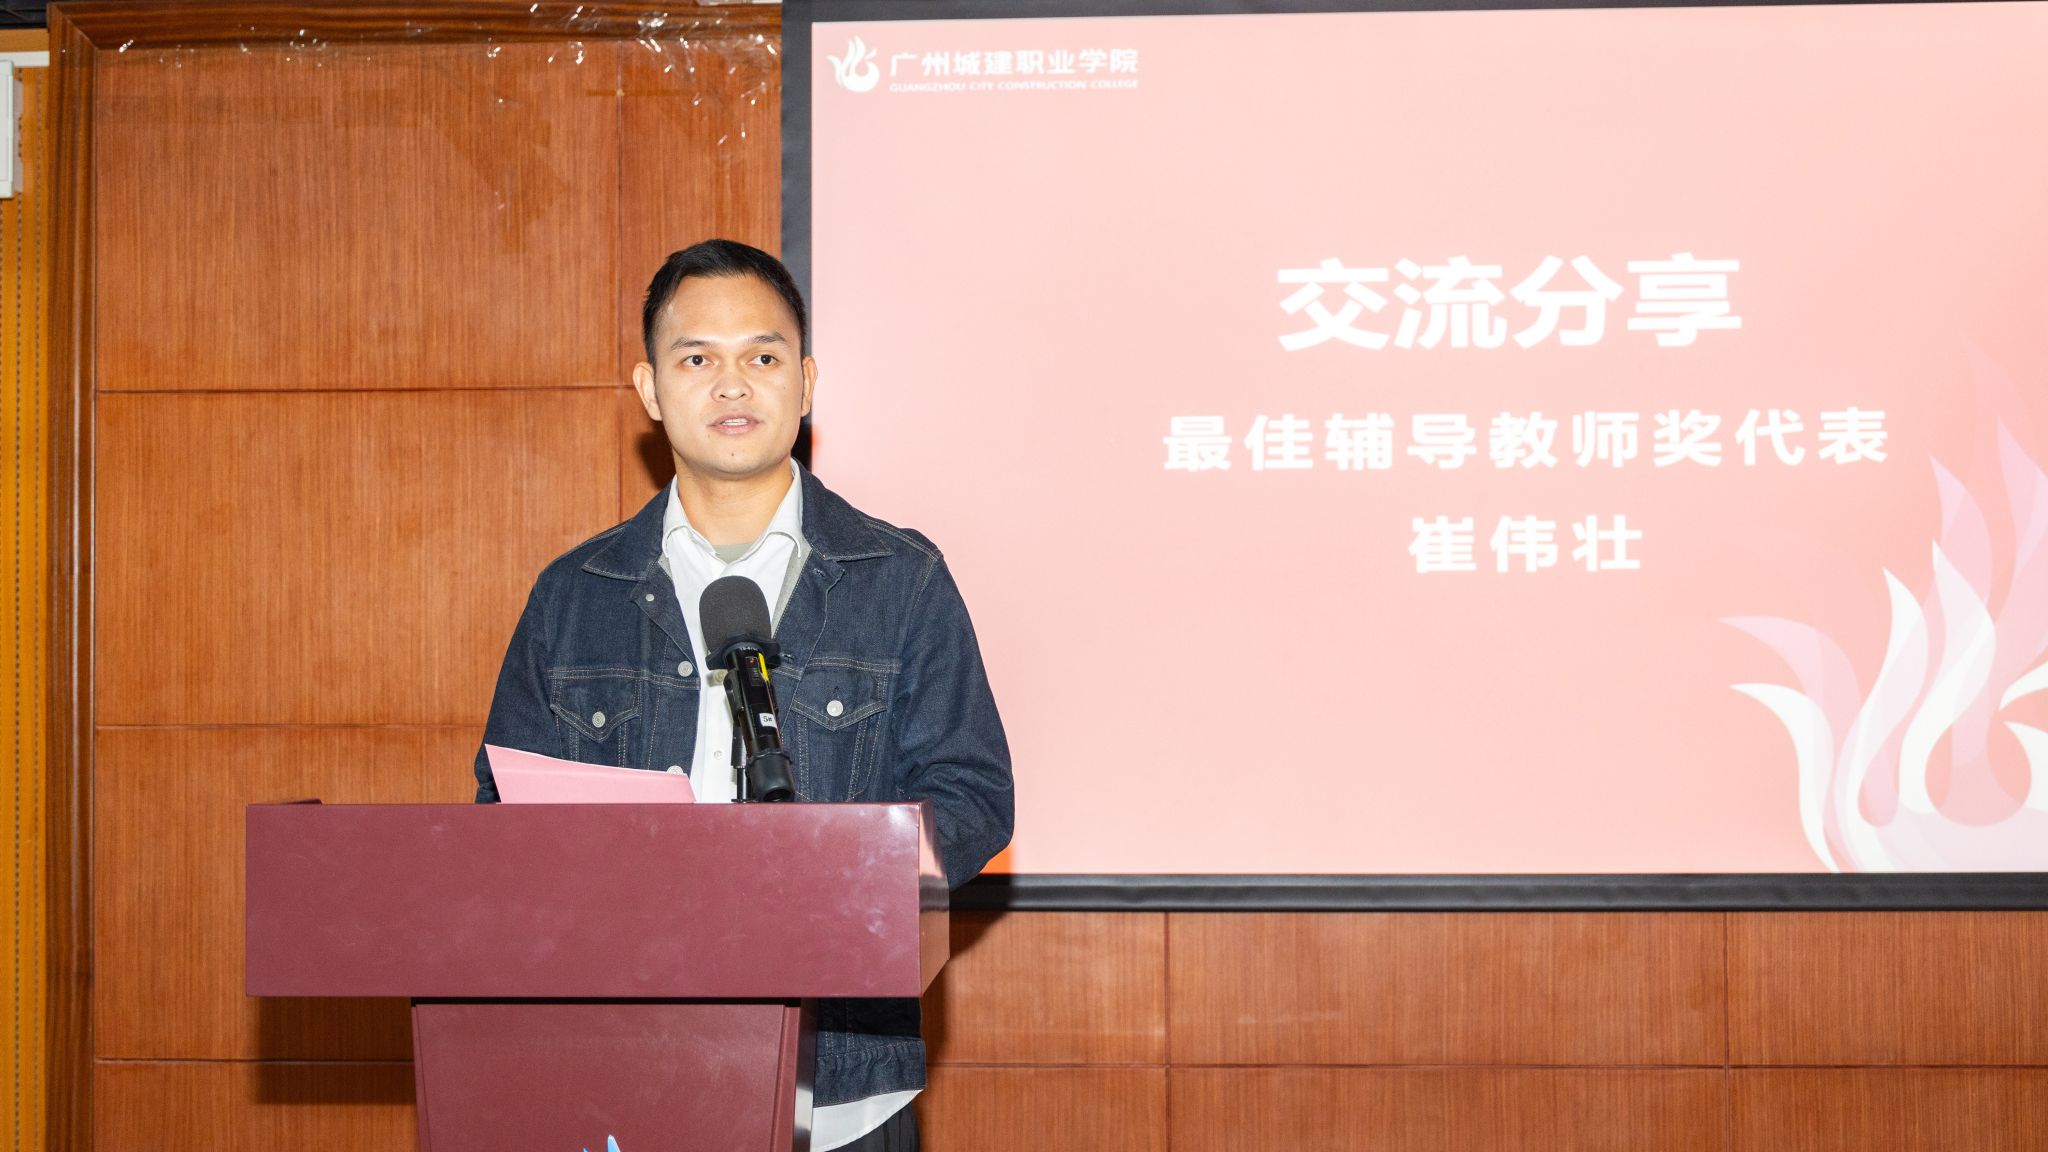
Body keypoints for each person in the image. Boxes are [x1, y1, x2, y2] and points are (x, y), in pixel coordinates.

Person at [474, 239, 1014, 1151]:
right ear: (650, 390)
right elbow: (499, 809)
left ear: (805, 384)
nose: (733, 385)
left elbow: (973, 795)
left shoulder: (900, 579)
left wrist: (843, 878)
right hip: (622, 1078)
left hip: (840, 1095)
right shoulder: (575, 593)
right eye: (697, 360)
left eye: (762, 357)